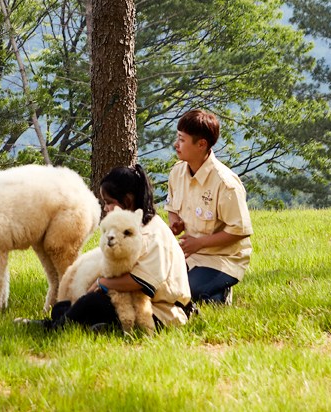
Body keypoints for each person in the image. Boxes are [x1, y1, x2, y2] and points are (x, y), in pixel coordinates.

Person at [34, 164, 191, 331]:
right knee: (65, 305)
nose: (105, 208)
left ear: (128, 200)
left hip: (160, 312)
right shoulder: (134, 228)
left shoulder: (153, 234)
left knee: (91, 303)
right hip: (130, 300)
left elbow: (141, 282)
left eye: (108, 203)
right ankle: (91, 324)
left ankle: (56, 327)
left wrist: (103, 283)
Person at [166, 109, 253, 308]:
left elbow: (240, 231)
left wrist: (200, 243)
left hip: (222, 259)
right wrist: (175, 223)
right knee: (160, 287)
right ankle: (208, 295)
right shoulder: (177, 172)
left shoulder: (225, 183)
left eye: (181, 139)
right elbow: (171, 207)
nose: (176, 144)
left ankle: (219, 293)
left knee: (185, 292)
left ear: (202, 144)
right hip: (188, 255)